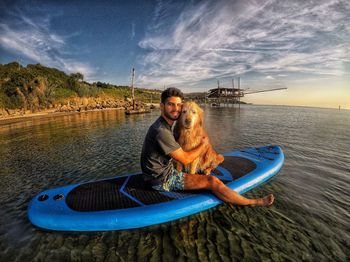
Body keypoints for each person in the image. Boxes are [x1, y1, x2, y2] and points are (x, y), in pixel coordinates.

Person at [140, 87, 274, 206]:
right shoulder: (161, 131)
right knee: (212, 181)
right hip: (162, 181)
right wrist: (203, 145)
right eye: (170, 104)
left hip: (156, 174)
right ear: (161, 106)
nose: (176, 109)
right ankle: (254, 202)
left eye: (178, 105)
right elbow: (185, 159)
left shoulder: (165, 125)